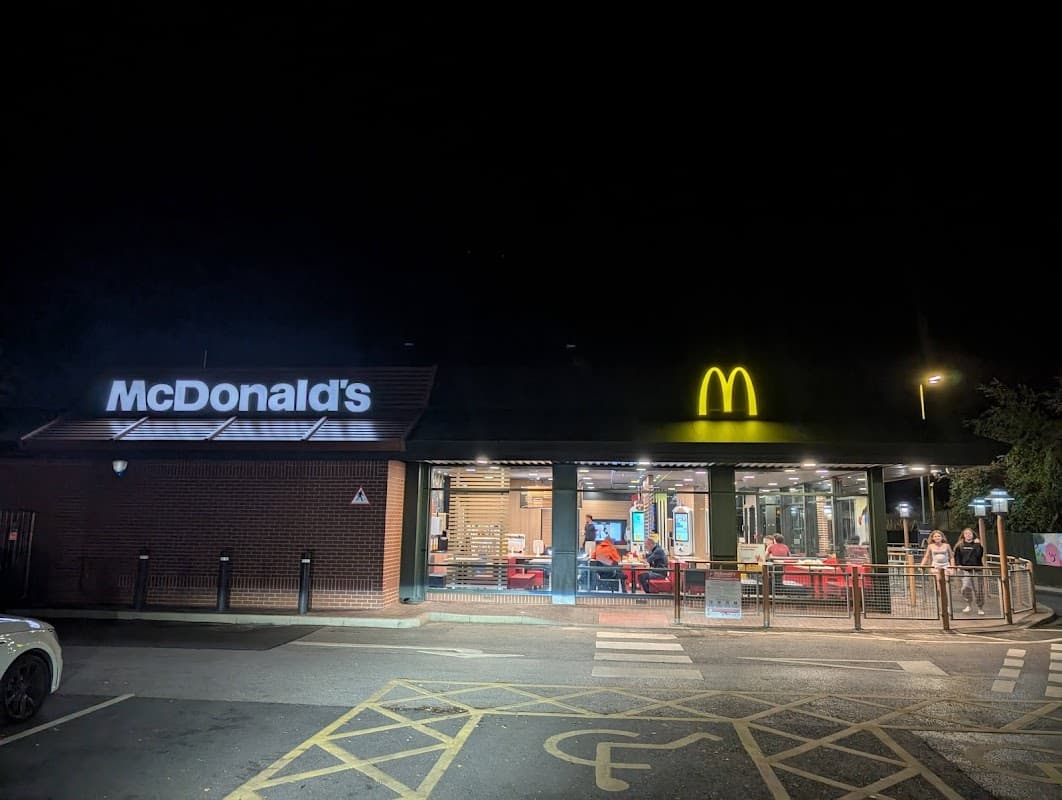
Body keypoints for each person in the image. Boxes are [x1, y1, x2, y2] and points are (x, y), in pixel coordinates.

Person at [953, 527, 986, 615]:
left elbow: (980, 555)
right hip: (965, 570)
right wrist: (958, 565)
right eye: (966, 533)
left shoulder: (977, 545)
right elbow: (957, 556)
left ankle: (980, 607)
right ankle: (968, 603)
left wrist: (978, 545)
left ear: (973, 535)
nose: (968, 535)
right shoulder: (960, 545)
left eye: (970, 533)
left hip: (977, 569)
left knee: (978, 589)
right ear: (963, 535)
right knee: (965, 587)